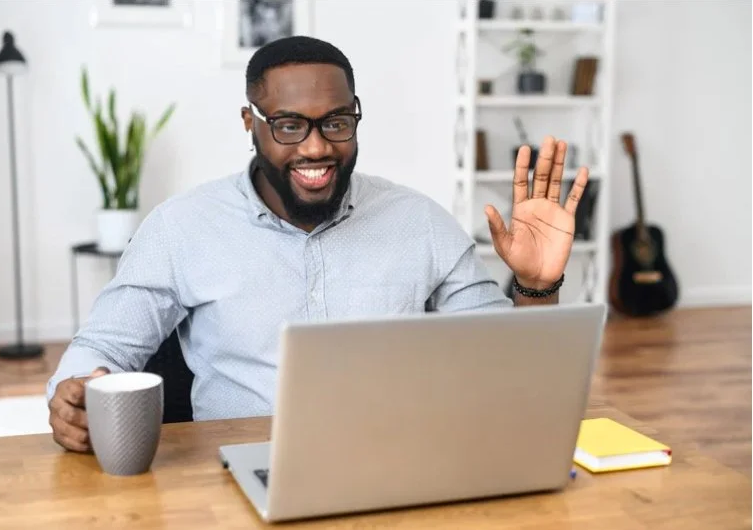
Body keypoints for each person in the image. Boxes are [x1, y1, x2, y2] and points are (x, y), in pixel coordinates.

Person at [47, 36, 589, 453]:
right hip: (238, 467)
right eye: (288, 125)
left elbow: (507, 365)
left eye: (335, 122)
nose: (315, 147)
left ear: (355, 113)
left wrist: (536, 287)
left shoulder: (419, 222)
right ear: (249, 122)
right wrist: (77, 394)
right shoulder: (181, 228)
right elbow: (104, 347)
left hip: (399, 458)